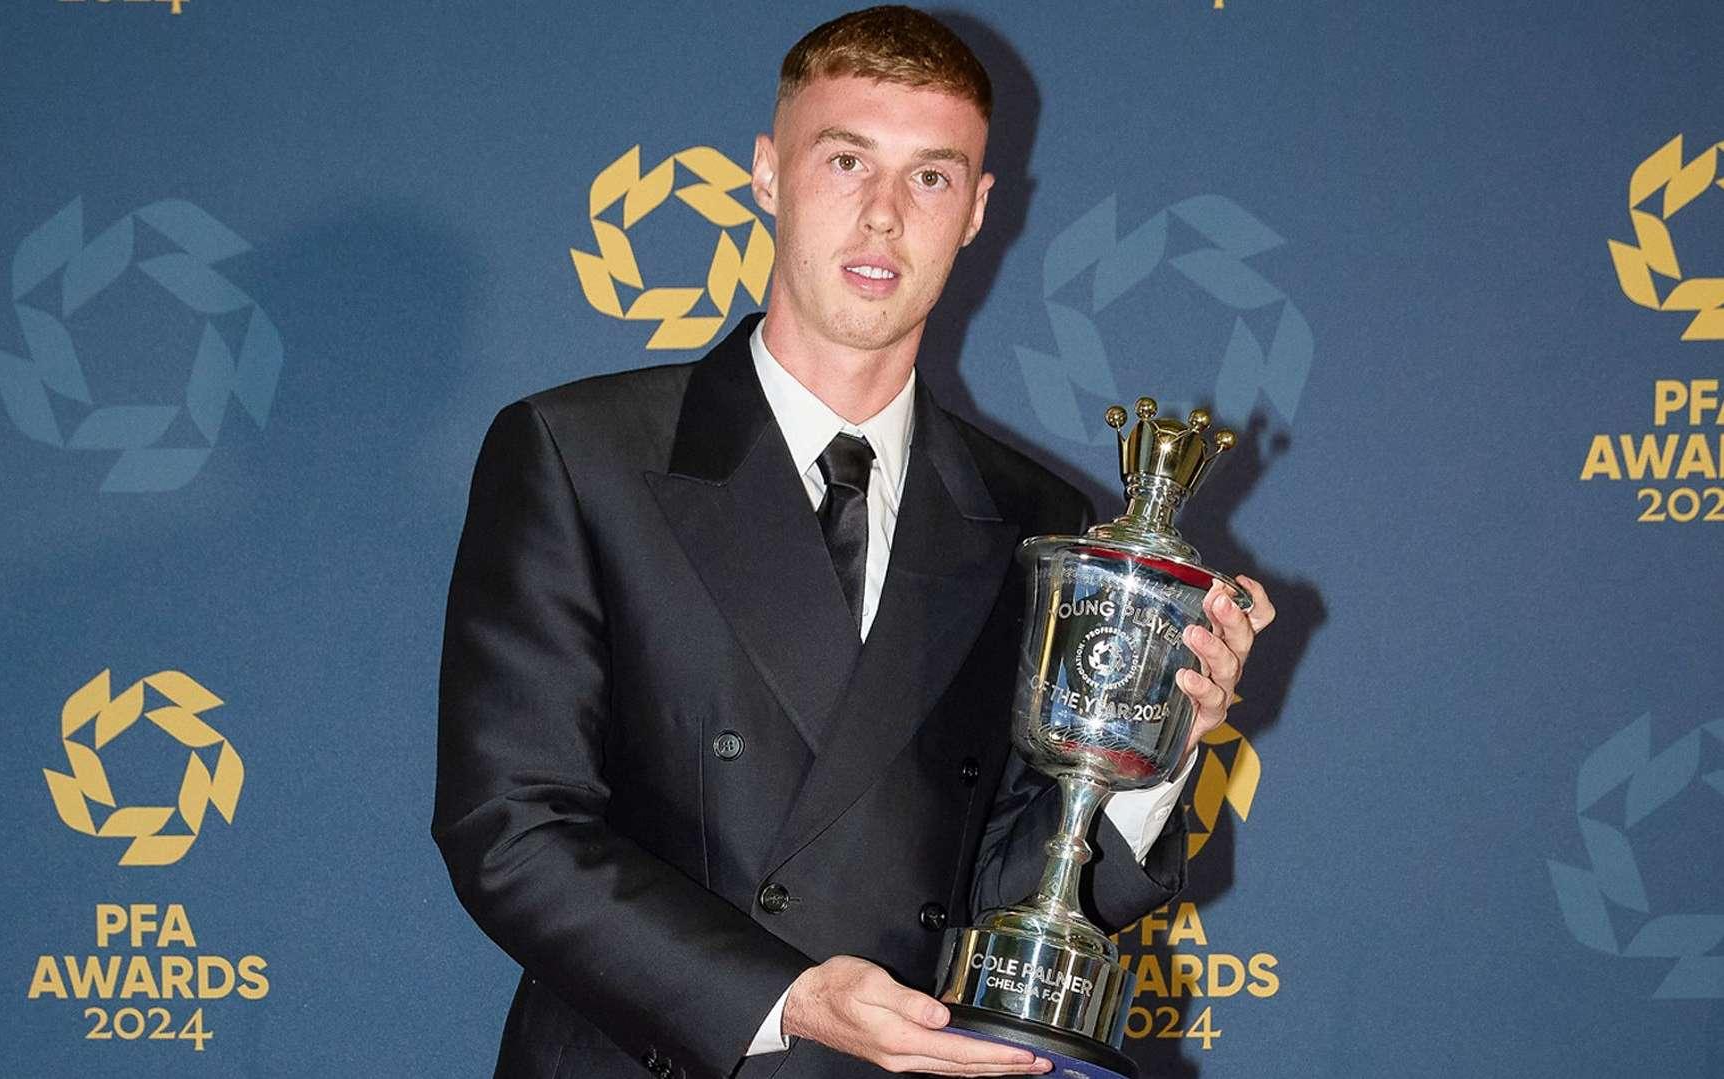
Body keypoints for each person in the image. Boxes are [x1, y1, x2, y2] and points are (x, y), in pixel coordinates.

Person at [432, 7, 1275, 1077]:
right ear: (766, 173)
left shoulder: (1040, 523)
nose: (884, 215)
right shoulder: (579, 453)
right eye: (846, 161)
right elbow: (512, 827)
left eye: (930, 177)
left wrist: (1155, 748)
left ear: (976, 211)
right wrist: (783, 996)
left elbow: (1022, 888)